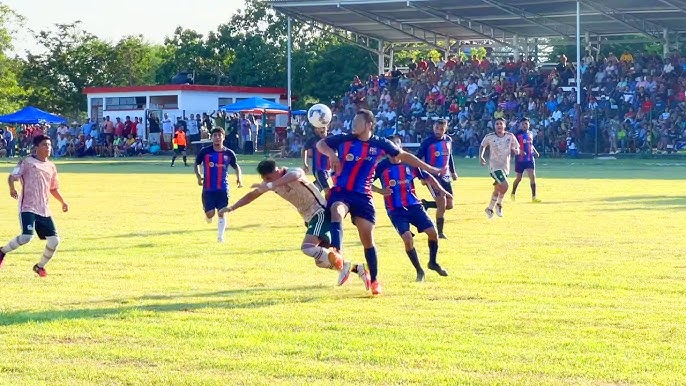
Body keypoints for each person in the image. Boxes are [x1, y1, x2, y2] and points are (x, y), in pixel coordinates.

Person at [316, 109, 448, 295]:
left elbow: (404, 156)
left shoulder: (379, 143)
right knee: (337, 211)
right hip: (342, 191)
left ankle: (375, 280)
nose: (353, 124)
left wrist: (430, 169)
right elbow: (321, 144)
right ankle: (338, 253)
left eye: (357, 121)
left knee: (367, 238)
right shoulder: (344, 139)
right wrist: (332, 155)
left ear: (369, 124)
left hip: (363, 196)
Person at [218, 159, 370, 289]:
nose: (268, 182)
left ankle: (342, 262)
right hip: (310, 219)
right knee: (321, 261)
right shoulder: (271, 182)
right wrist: (231, 208)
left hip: (320, 213)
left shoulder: (291, 172)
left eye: (269, 178)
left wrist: (270, 185)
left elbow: (296, 174)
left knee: (307, 247)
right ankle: (356, 268)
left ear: (277, 170)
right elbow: (252, 195)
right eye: (266, 179)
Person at [373, 136, 451, 282]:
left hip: (414, 205)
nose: (394, 153)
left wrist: (442, 191)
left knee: (433, 233)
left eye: (396, 149)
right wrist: (379, 190)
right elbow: (365, 182)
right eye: (390, 150)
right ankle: (419, 271)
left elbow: (428, 178)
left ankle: (432, 262)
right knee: (408, 239)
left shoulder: (410, 163)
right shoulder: (381, 167)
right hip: (395, 209)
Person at [0, 135, 69, 277]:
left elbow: (53, 188)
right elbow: (12, 176)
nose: (48, 147)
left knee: (55, 241)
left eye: (49, 145)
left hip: (44, 209)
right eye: (44, 145)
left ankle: (39, 266)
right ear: (36, 147)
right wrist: (12, 188)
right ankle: (2, 251)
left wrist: (62, 202)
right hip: (28, 207)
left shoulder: (51, 166)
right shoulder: (26, 161)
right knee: (26, 237)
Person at [194, 128, 243, 243]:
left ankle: (220, 237)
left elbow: (236, 166)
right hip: (208, 188)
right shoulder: (205, 151)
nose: (217, 137)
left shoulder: (229, 153)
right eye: (215, 135)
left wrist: (239, 178)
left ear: (223, 137)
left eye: (219, 135)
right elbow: (197, 163)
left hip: (223, 188)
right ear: (211, 137)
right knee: (210, 215)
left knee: (222, 212)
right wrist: (198, 177)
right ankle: (207, 212)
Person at [416, 119, 458, 239]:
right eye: (437, 128)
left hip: (445, 176)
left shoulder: (448, 140)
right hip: (432, 176)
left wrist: (453, 172)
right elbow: (418, 160)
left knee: (449, 205)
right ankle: (440, 233)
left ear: (445, 129)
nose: (438, 131)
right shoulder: (427, 142)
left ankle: (426, 204)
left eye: (441, 129)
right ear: (433, 127)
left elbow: (449, 156)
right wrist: (421, 177)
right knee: (442, 202)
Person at [479, 118, 520, 219]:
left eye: (501, 124)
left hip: (505, 167)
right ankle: (499, 205)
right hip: (494, 167)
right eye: (497, 124)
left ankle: (489, 208)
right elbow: (482, 146)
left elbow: (517, 147)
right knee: (505, 185)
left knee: (498, 189)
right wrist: (481, 156)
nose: (499, 125)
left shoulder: (510, 136)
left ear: (504, 126)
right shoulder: (489, 137)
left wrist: (516, 151)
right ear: (494, 126)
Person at [511, 117, 541, 203]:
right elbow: (513, 145)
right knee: (519, 178)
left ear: (529, 125)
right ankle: (513, 193)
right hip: (520, 160)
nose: (524, 125)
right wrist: (519, 151)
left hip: (530, 159)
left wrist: (535, 151)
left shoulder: (531, 134)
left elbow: (531, 144)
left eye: (526, 124)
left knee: (532, 177)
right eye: (523, 124)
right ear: (520, 125)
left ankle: (534, 197)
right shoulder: (517, 135)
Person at [302, 125, 332, 195]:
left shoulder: (331, 138)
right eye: (319, 127)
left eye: (323, 127)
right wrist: (305, 163)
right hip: (319, 170)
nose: (321, 129)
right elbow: (304, 149)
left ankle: (307, 197)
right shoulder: (313, 140)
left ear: (328, 126)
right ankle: (328, 205)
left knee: (316, 189)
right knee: (327, 190)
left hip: (329, 170)